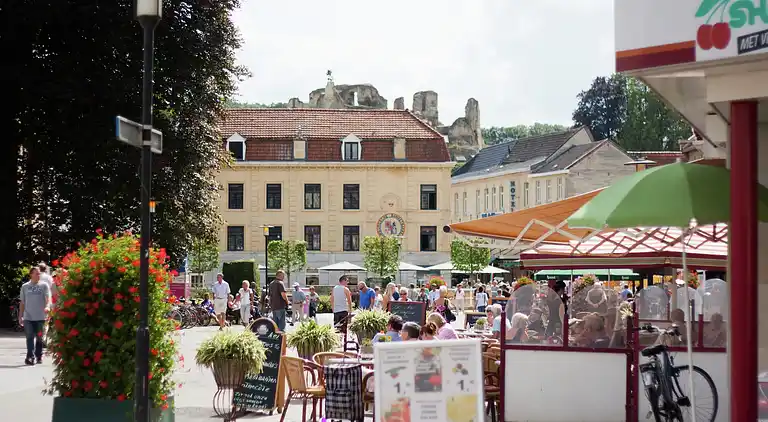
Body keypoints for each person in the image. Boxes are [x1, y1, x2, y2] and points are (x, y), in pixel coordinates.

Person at [19, 267, 50, 365]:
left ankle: (39, 355)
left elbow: (47, 298)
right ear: (31, 274)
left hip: (40, 317)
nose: (38, 275)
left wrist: (48, 307)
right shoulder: (25, 286)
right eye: (36, 274)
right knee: (29, 337)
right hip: (28, 316)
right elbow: (22, 302)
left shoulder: (44, 285)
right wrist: (20, 316)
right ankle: (30, 357)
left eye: (39, 273)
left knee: (40, 337)